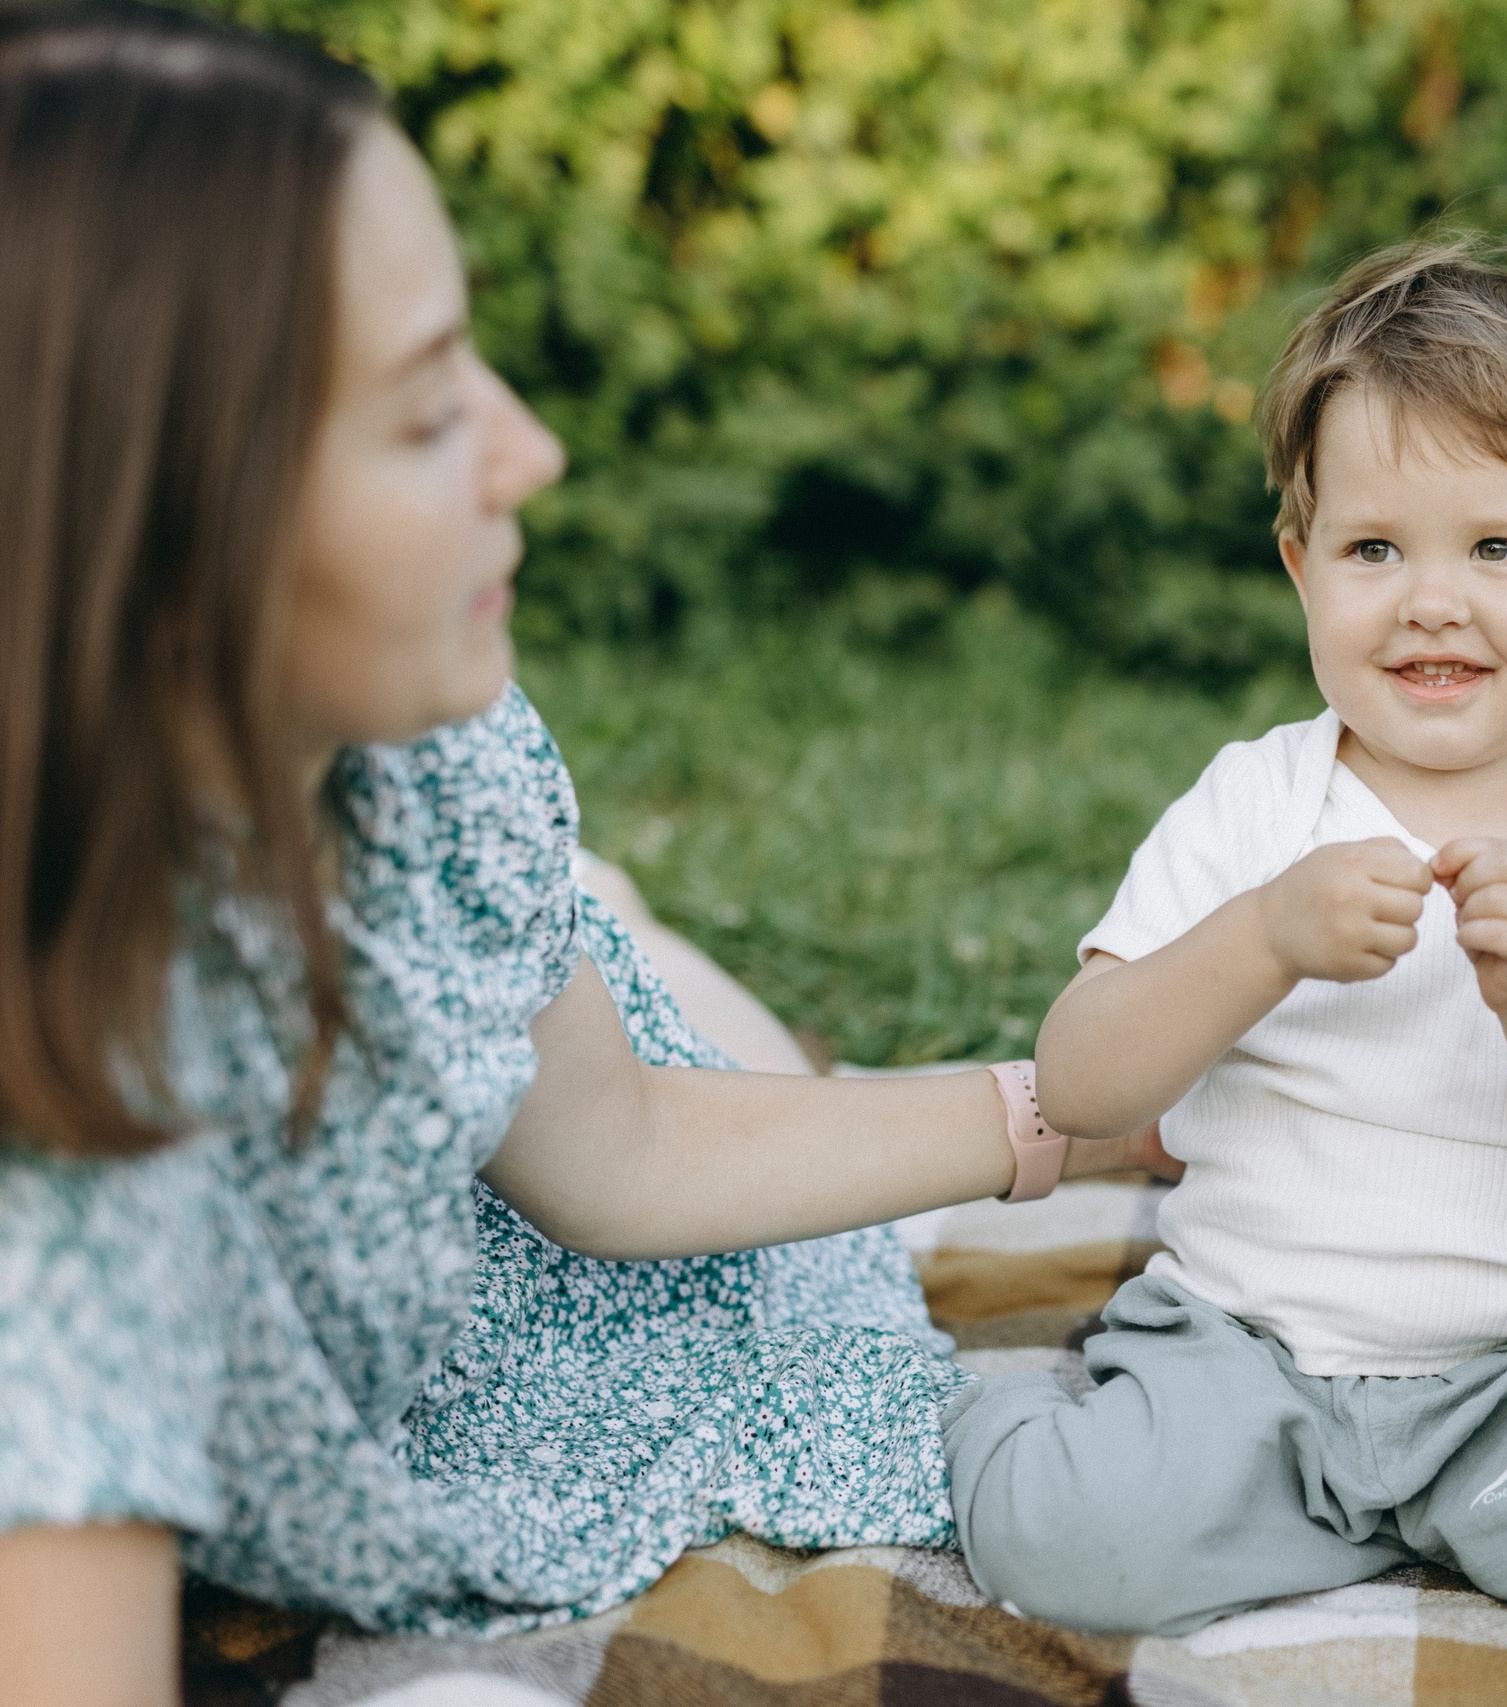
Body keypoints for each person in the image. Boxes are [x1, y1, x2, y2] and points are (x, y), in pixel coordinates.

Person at [0, 10, 1152, 1700]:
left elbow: (616, 1148)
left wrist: (1057, 1114)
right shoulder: (73, 1143)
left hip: (530, 1257)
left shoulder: (419, 749)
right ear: (157, 540)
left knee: (664, 1022)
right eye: (420, 415)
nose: (531, 449)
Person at [939, 236, 1507, 1661]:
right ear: (1304, 571)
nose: (1432, 598)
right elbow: (1085, 1077)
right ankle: (958, 1402)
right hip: (1255, 1365)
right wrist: (1261, 937)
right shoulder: (1258, 804)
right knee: (1066, 1550)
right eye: (1375, 549)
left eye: (1497, 547)